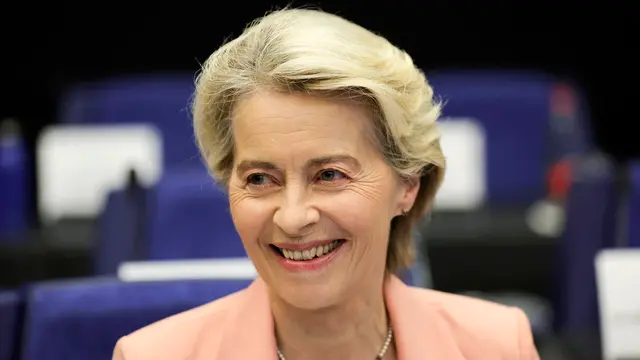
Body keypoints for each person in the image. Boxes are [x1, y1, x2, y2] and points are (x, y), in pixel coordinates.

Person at [112, 8, 540, 360]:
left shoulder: (498, 345)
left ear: (408, 182)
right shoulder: (152, 355)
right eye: (260, 179)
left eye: (330, 175)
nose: (294, 217)